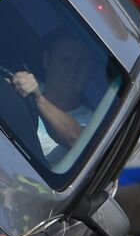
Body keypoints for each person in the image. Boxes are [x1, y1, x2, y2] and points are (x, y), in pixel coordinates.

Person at [9, 30, 97, 159]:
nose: (72, 70)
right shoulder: (24, 83)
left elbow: (75, 139)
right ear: (47, 60)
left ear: (89, 71)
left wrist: (38, 99)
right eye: (65, 60)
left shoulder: (92, 121)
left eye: (81, 63)